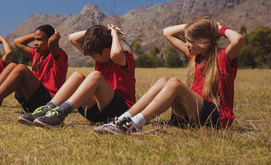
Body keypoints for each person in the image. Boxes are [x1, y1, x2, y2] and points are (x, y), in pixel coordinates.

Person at [95, 16, 244, 134]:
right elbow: (167, 32)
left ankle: (135, 124)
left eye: (190, 41)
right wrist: (199, 26)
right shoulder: (196, 56)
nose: (186, 44)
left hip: (216, 118)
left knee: (174, 83)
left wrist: (217, 27)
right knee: (163, 81)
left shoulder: (223, 57)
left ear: (203, 42)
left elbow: (238, 39)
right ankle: (121, 119)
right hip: (194, 115)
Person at [19, 24, 136, 127]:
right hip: (99, 113)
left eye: (94, 56)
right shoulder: (100, 57)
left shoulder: (124, 58)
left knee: (96, 76)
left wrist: (114, 33)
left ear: (106, 51)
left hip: (121, 113)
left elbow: (115, 53)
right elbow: (72, 38)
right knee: (77, 75)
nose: (94, 59)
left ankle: (60, 113)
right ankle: (47, 109)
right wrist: (104, 31)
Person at [0, 24, 68, 113]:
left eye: (39, 40)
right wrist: (36, 34)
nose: (35, 43)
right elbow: (17, 42)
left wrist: (56, 34)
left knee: (21, 68)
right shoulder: (36, 54)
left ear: (49, 39)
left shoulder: (58, 56)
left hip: (48, 102)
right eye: (34, 39)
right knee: (12, 65)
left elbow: (52, 42)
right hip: (31, 99)